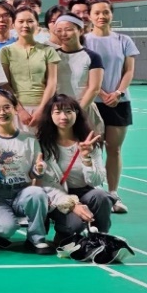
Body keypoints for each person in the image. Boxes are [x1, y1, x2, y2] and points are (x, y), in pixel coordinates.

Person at [0, 88, 52, 253]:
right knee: (5, 229)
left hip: (22, 192)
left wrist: (38, 169)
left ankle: (36, 239)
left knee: (37, 193)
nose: (2, 112)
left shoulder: (29, 139)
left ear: (15, 109)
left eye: (7, 107)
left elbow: (32, 174)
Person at [85, 0, 138, 214]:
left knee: (114, 149)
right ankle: (93, 194)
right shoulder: (84, 40)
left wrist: (118, 93)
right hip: (92, 103)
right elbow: (83, 70)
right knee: (91, 149)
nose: (101, 16)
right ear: (90, 16)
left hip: (119, 102)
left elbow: (129, 71)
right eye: (97, 12)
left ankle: (114, 194)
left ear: (111, 15)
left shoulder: (124, 40)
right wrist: (101, 93)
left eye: (105, 12)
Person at [36, 94, 111, 245]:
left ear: (77, 113)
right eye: (57, 112)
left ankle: (100, 237)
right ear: (50, 115)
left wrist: (86, 158)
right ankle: (64, 233)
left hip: (86, 192)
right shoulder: (43, 145)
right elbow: (48, 185)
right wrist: (73, 205)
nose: (63, 117)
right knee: (75, 225)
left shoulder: (89, 142)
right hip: (58, 195)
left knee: (101, 196)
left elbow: (97, 180)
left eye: (68, 111)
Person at [0, 6, 59, 130]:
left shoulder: (48, 50)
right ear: (13, 25)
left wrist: (42, 109)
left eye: (30, 21)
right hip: (16, 108)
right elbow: (5, 84)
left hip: (44, 107)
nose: (25, 25)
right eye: (21, 21)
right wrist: (19, 110)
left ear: (37, 24)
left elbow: (52, 83)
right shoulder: (5, 52)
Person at [54, 14, 104, 136]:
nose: (63, 34)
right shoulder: (52, 55)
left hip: (85, 110)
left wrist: (77, 112)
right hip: (58, 112)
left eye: (68, 29)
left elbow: (94, 88)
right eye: (59, 30)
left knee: (88, 145)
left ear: (81, 31)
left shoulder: (92, 56)